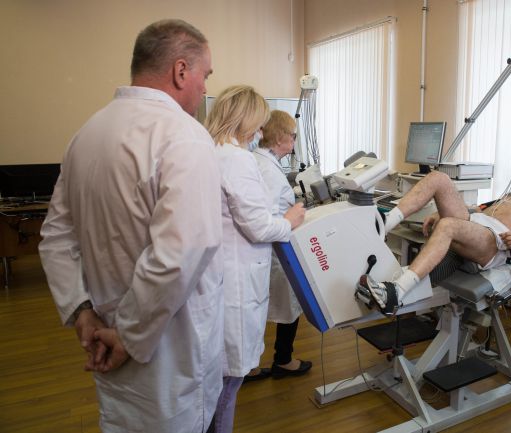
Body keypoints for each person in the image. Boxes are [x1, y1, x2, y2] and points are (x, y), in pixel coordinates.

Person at [39, 19, 224, 433]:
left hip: (103, 336)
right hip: (167, 355)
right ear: (181, 71)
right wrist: (128, 336)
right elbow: (180, 253)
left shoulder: (87, 133)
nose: (204, 88)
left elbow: (55, 238)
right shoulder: (185, 136)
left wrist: (82, 312)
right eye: (205, 75)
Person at [205, 87, 305, 433]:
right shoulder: (237, 159)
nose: (261, 133)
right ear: (247, 120)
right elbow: (259, 225)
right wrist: (290, 220)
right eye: (259, 125)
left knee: (216, 383)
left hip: (221, 275)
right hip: (237, 280)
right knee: (228, 384)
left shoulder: (212, 151)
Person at [356, 167, 511, 315]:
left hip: (495, 241)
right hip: (474, 223)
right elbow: (480, 209)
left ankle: (396, 292)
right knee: (439, 178)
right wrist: (440, 211)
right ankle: (384, 225)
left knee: (448, 225)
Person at [244, 110, 312, 383]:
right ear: (281, 137)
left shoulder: (261, 161)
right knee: (287, 304)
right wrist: (293, 213)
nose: (294, 141)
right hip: (274, 251)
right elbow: (269, 217)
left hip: (267, 252)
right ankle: (283, 360)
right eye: (293, 136)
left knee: (268, 308)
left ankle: (251, 365)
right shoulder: (268, 171)